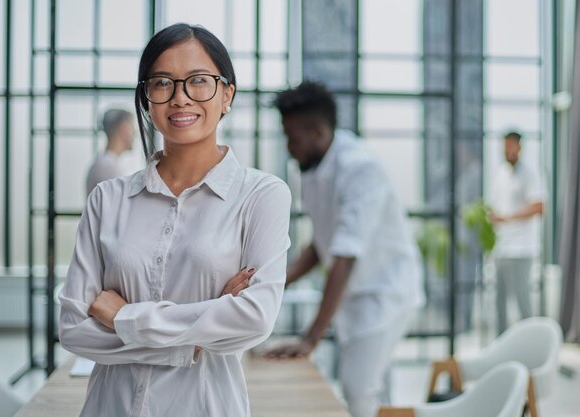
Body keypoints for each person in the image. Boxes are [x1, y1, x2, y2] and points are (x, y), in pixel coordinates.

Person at [58, 23, 291, 417]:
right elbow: (74, 329)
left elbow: (254, 319)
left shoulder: (261, 195)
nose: (180, 98)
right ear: (147, 98)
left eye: (198, 81)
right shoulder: (108, 199)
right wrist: (199, 335)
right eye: (162, 83)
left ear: (227, 95)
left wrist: (123, 317)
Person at [267, 81, 424, 417]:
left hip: (383, 292)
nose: (288, 147)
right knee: (372, 389)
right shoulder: (314, 167)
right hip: (356, 293)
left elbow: (344, 260)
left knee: (358, 388)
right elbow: (321, 245)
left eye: (292, 137)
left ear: (319, 132)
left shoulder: (360, 169)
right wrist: (271, 283)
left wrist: (310, 339)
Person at [488, 131, 545, 335]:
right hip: (501, 248)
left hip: (521, 249)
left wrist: (508, 218)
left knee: (522, 302)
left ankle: (529, 347)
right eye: (505, 147)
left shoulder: (529, 174)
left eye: (512, 146)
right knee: (499, 303)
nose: (508, 151)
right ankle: (501, 349)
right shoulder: (500, 174)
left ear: (520, 148)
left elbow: (539, 206)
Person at [85, 108, 135, 194]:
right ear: (124, 129)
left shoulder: (105, 162)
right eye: (132, 129)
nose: (135, 134)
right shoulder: (108, 167)